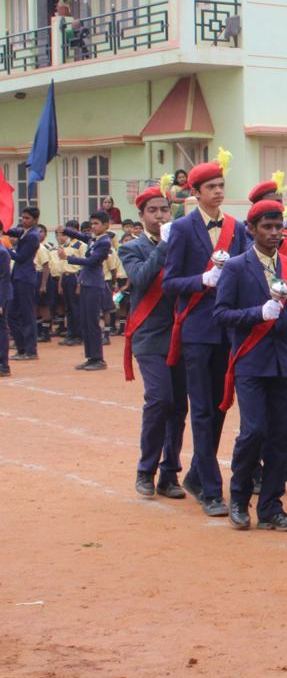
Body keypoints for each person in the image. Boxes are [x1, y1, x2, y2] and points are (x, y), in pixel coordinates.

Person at [163, 153, 249, 518]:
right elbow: (169, 282)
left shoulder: (237, 227)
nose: (217, 192)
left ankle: (199, 475)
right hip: (197, 330)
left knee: (218, 407)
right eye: (210, 187)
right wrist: (202, 279)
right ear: (194, 192)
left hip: (227, 329)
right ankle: (212, 490)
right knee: (199, 408)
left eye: (220, 186)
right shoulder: (182, 229)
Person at [213, 199, 287, 532]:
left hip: (283, 361)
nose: (273, 233)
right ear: (251, 229)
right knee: (254, 431)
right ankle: (239, 499)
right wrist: (257, 314)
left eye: (278, 227)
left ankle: (271, 506)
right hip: (251, 360)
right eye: (266, 227)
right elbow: (221, 313)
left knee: (282, 435)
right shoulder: (237, 266)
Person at [121, 183, 188, 500]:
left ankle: (170, 473)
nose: (160, 215)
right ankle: (145, 470)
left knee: (178, 407)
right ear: (141, 215)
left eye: (164, 209)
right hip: (150, 335)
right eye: (153, 211)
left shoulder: (183, 242)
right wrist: (163, 245)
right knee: (160, 399)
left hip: (182, 334)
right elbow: (141, 278)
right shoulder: (131, 247)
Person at [61, 211, 113, 371]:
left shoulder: (104, 242)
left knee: (92, 322)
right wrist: (65, 230)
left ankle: (98, 358)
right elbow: (82, 237)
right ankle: (91, 357)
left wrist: (68, 258)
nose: (93, 227)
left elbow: (92, 261)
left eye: (97, 223)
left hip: (94, 284)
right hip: (86, 282)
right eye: (92, 223)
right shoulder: (94, 239)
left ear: (106, 225)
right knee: (85, 321)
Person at [8, 207, 41, 361]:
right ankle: (21, 348)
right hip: (18, 277)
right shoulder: (25, 232)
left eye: (27, 218)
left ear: (35, 220)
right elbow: (11, 231)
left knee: (27, 314)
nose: (24, 220)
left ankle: (30, 350)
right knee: (12, 314)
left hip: (26, 278)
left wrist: (6, 249)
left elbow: (21, 257)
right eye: (23, 218)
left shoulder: (33, 235)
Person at [57, 222, 85, 347]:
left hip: (75, 276)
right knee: (68, 307)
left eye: (72, 229)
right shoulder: (66, 244)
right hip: (66, 277)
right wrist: (60, 283)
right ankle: (71, 333)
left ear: (77, 230)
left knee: (76, 307)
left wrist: (80, 283)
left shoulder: (81, 245)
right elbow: (63, 264)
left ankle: (78, 335)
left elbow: (84, 265)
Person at [0, 239, 10, 377]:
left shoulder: (2, 252)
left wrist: (0, 303)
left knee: (1, 329)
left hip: (1, 295)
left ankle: (3, 364)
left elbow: (4, 279)